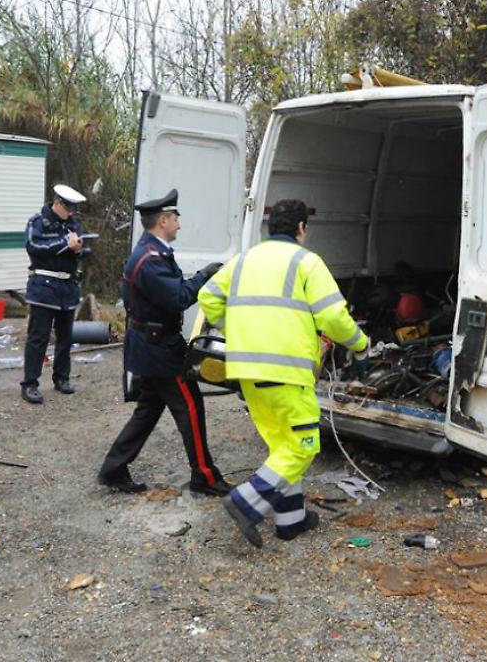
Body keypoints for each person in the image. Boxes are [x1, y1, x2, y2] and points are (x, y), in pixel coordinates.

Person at [198, 198, 370, 548]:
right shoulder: (307, 262)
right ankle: (246, 502)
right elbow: (334, 318)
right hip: (287, 372)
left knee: (282, 446)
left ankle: (290, 521)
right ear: (301, 228)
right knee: (303, 447)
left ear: (269, 227)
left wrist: (239, 330)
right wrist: (361, 343)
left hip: (247, 371)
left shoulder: (243, 261)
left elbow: (208, 296)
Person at [98, 189, 229, 496]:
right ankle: (205, 477)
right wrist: (204, 276)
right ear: (164, 220)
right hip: (160, 352)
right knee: (191, 410)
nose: (179, 226)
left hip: (151, 347)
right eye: (176, 220)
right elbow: (178, 298)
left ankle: (113, 469)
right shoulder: (149, 259)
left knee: (147, 411)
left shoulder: (152, 253)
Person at [20, 184, 88, 404]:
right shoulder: (37, 222)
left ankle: (62, 378)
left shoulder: (73, 225)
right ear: (57, 203)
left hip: (67, 287)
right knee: (38, 338)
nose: (71, 213)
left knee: (65, 338)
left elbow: (84, 251)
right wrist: (64, 244)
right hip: (44, 287)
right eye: (68, 208)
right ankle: (30, 383)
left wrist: (79, 249)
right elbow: (32, 246)